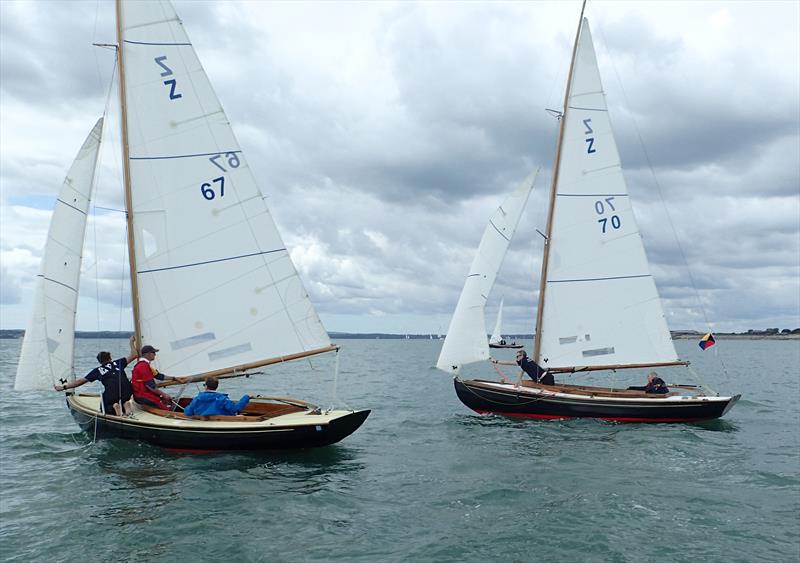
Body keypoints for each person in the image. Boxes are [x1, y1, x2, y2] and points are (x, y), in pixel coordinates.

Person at [54, 335, 138, 416]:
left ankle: (114, 407)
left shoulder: (98, 370)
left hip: (112, 394)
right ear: (110, 358)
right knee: (124, 399)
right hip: (128, 391)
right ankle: (126, 405)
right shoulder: (118, 362)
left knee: (105, 405)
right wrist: (131, 342)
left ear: (100, 362)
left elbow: (80, 381)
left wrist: (63, 387)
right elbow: (134, 355)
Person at [131, 344, 187, 410]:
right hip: (141, 396)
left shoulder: (145, 365)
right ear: (147, 354)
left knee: (167, 401)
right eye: (153, 352)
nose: (155, 354)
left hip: (145, 394)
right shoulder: (143, 366)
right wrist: (164, 394)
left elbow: (158, 376)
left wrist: (174, 378)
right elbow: (150, 386)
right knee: (165, 407)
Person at [183, 377, 250, 417]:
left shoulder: (197, 399)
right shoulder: (222, 399)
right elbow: (234, 409)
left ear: (206, 386)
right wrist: (246, 397)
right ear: (217, 387)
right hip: (220, 423)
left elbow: (187, 412)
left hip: (203, 423)